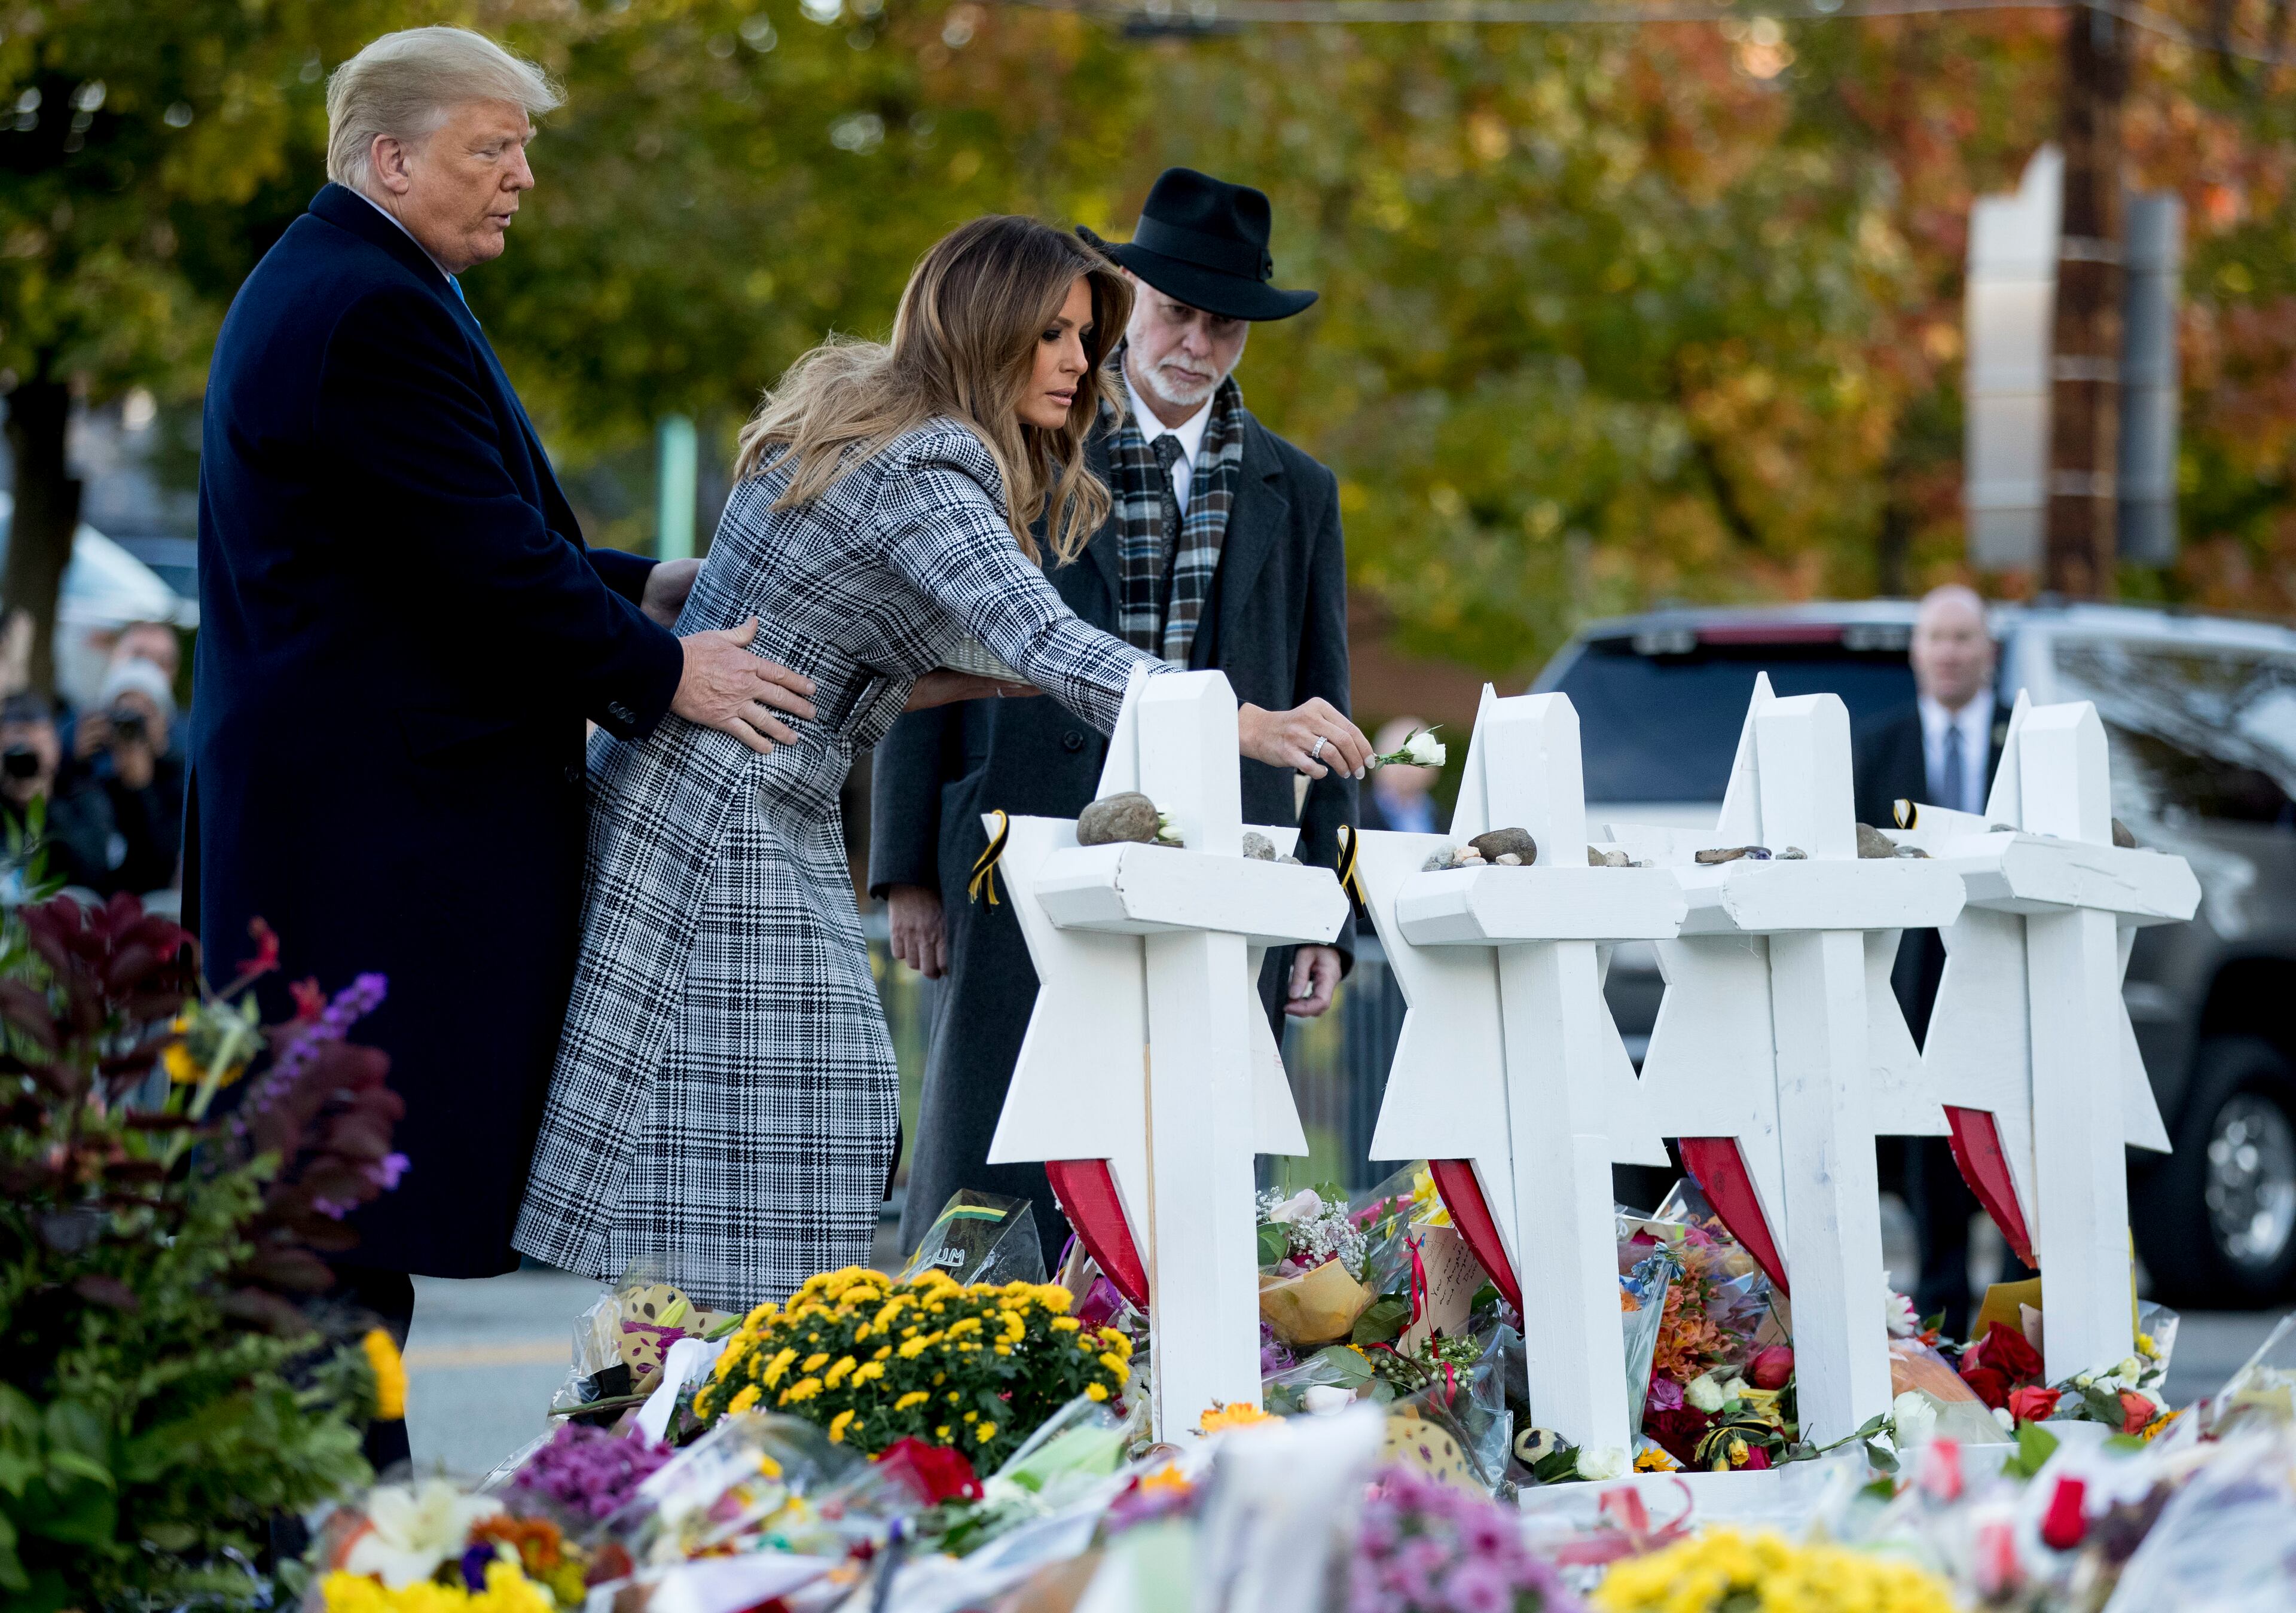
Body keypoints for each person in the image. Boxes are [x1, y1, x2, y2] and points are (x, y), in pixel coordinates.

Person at [515, 214, 1372, 1311]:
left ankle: (695, 1425)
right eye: (1057, 335)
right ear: (988, 325)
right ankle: (710, 1435)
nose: (1080, 361)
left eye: (1084, 334)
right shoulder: (929, 460)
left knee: (745, 1167)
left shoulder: (873, 421)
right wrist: (1239, 722)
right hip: (722, 828)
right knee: (790, 1152)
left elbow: (879, 652)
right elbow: (1042, 635)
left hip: (730, 805)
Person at [189, 22, 818, 1442]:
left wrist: (645, 586)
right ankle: (329, 1528)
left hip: (339, 838)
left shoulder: (356, 285)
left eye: (523, 145)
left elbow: (438, 548)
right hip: (365, 856)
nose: (522, 176)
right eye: (493, 147)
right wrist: (666, 671)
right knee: (329, 1227)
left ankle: (346, 1501)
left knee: (334, 1231)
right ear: (390, 157)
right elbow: (477, 567)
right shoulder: (370, 311)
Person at [869, 169, 1358, 1257]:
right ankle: (978, 1353)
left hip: (1226, 849)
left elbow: (1325, 695)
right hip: (1018, 830)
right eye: (1178, 312)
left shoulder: (1299, 486)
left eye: (1225, 325)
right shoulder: (1020, 441)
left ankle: (1179, 1378)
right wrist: (907, 864)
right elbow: (919, 643)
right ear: (1130, 297)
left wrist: (1331, 904)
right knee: (996, 1132)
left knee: (1198, 1136)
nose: (1198, 342)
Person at [1853, 584, 2016, 1335]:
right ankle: (1942, 1304)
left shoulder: (2023, 740)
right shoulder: (1875, 748)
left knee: (2014, 1130)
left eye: (1963, 637)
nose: (1949, 651)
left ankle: (2021, 1304)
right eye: (1936, 638)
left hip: (2006, 967)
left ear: (1988, 650)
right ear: (1917, 652)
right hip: (1911, 979)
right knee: (1926, 1135)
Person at [81, 657, 187, 895]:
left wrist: (141, 789)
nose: (131, 726)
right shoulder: (95, 774)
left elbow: (163, 866)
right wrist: (76, 766)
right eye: (123, 714)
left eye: (143, 715)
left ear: (163, 721)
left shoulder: (180, 776)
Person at [0, 692, 119, 893]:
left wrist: (45, 807)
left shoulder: (82, 793)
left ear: (55, 748)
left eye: (34, 748)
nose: (24, 759)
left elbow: (93, 872)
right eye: (13, 749)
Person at [1360, 716, 1443, 835]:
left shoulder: (1449, 823)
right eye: (1396, 758)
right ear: (1376, 762)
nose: (1405, 768)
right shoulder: (1355, 818)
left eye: (1416, 758)